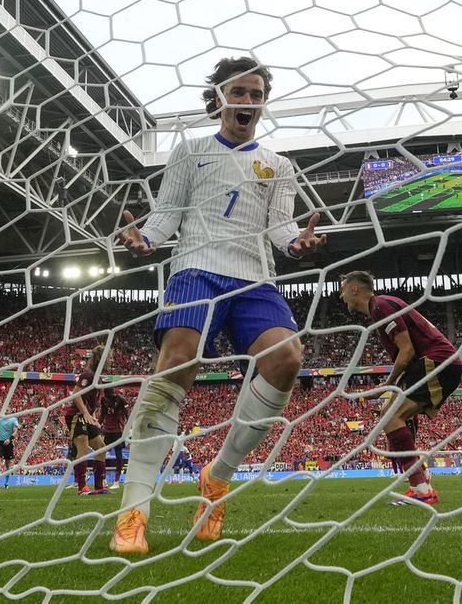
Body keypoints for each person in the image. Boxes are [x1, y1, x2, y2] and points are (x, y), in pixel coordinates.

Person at [113, 56, 327, 553]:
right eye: (240, 92)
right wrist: (144, 238)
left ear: (263, 103)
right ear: (219, 100)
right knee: (177, 361)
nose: (248, 101)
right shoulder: (189, 151)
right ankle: (133, 513)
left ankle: (217, 476)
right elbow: (167, 216)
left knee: (287, 358)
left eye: (256, 94)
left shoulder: (279, 166)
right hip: (195, 268)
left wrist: (297, 245)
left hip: (254, 278)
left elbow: (280, 231)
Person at [338, 270, 462, 505]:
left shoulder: (381, 306)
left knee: (391, 416)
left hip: (437, 362)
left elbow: (407, 352)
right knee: (391, 415)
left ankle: (422, 490)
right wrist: (390, 396)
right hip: (437, 363)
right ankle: (421, 482)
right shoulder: (381, 307)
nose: (341, 296)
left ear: (355, 289)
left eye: (343, 289)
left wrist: (388, 385)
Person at [65, 345, 112, 496]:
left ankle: (99, 486)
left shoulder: (97, 376)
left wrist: (93, 417)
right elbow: (76, 394)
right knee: (83, 448)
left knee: (101, 447)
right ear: (102, 359)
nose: (112, 360)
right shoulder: (88, 374)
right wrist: (85, 413)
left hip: (86, 416)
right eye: (109, 357)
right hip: (76, 415)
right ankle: (82, 487)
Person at [100, 387, 129, 489]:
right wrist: (97, 425)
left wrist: (129, 426)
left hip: (117, 431)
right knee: (101, 454)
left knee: (119, 456)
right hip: (107, 431)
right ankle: (103, 480)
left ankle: (116, 481)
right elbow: (102, 414)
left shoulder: (120, 399)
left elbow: (127, 414)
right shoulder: (103, 400)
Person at [0, 413, 20, 492]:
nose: (6, 411)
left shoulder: (13, 419)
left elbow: (15, 432)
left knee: (7, 464)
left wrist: (9, 439)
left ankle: (6, 483)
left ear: (10, 410)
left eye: (8, 410)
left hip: (9, 443)